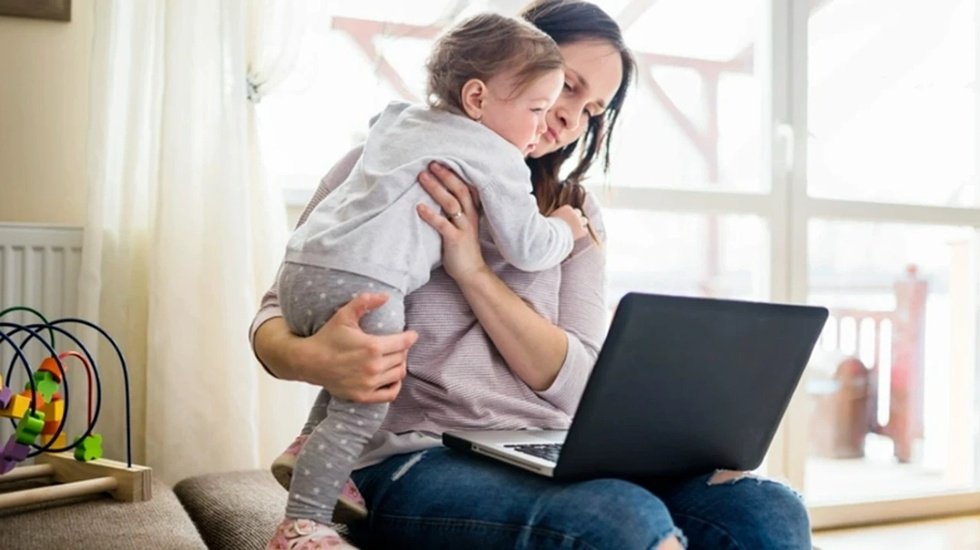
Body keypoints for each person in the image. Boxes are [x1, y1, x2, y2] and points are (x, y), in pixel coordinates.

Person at [252, 1, 813, 548]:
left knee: (768, 507)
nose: (571, 117)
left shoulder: (573, 217)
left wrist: (472, 270)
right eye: (568, 86)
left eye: (594, 109)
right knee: (617, 518)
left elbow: (574, 383)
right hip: (411, 455)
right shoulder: (381, 163)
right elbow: (276, 311)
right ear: (506, 71)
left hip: (550, 445)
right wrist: (313, 358)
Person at [267, 12, 591, 549]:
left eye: (591, 109)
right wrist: (565, 227)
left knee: (348, 389)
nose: (550, 122)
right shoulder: (497, 157)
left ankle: (308, 443)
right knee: (366, 404)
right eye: (540, 106)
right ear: (477, 99)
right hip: (366, 283)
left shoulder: (399, 120)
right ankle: (302, 524)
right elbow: (530, 248)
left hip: (303, 273)